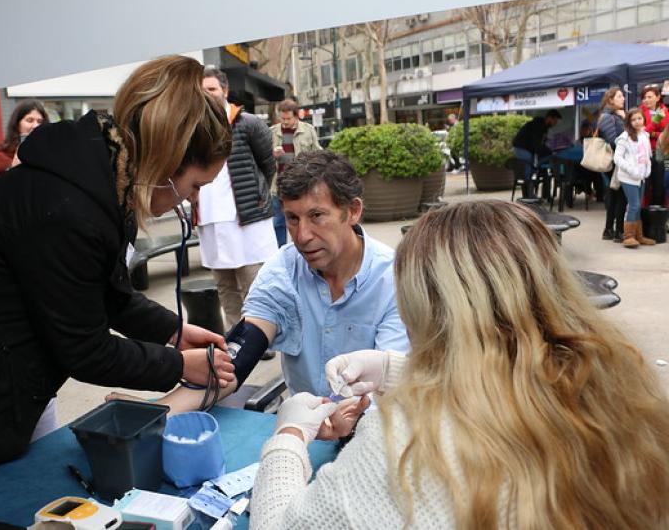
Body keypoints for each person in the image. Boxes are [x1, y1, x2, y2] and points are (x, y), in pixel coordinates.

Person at [0, 55, 236, 520]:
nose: (193, 200)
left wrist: (171, 330)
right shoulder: (70, 209)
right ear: (166, 160)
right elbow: (84, 348)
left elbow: (104, 291)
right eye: (195, 185)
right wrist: (177, 365)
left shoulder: (96, 181)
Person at [250, 200, 669, 529]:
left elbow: (279, 523)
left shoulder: (404, 446)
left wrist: (288, 435)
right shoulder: (618, 391)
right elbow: (506, 366)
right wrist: (399, 370)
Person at [136, 150, 409, 440]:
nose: (302, 236)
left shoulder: (394, 280)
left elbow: (390, 388)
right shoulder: (282, 271)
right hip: (305, 430)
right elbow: (236, 359)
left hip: (378, 434)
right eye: (292, 218)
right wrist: (154, 414)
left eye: (316, 216)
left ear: (352, 211)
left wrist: (350, 424)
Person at [198, 68, 277, 329]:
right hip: (210, 219)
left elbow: (267, 165)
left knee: (253, 284)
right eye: (202, 90)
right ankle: (235, 335)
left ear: (225, 91)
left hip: (245, 217)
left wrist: (256, 196)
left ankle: (259, 337)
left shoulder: (248, 123)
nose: (206, 94)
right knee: (225, 287)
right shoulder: (192, 127)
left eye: (211, 89)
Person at [270, 99, 322, 246]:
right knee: (278, 223)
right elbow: (263, 158)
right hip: (278, 187)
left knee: (301, 221)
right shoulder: (272, 132)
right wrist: (272, 154)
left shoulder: (308, 130)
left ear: (296, 116)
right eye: (282, 118)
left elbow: (317, 155)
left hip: (302, 186)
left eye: (288, 118)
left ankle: (301, 250)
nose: (285, 122)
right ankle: (281, 254)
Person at [0, 99, 49, 192]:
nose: (35, 126)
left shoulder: (49, 154)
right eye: (29, 120)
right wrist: (12, 171)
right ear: (17, 124)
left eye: (40, 121)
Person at [615, 108, 654, 248]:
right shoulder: (624, 138)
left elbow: (648, 155)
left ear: (643, 119)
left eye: (639, 118)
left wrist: (647, 170)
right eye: (633, 119)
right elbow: (617, 158)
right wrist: (632, 170)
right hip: (628, 178)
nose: (637, 122)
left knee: (639, 206)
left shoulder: (645, 136)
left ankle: (639, 236)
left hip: (641, 177)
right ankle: (629, 236)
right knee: (634, 205)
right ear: (629, 122)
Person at [598, 87, 628, 242]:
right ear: (610, 100)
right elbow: (613, 140)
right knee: (620, 196)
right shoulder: (608, 117)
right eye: (619, 96)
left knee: (615, 195)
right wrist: (625, 119)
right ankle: (618, 231)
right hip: (615, 162)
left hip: (617, 162)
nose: (623, 98)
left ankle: (609, 229)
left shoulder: (612, 115)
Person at [511, 109, 562, 198]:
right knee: (529, 166)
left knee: (536, 167)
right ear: (549, 118)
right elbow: (537, 145)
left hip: (527, 148)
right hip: (521, 148)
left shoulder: (544, 127)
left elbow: (539, 145)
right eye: (555, 121)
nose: (555, 124)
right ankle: (528, 195)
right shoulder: (538, 126)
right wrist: (550, 152)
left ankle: (535, 193)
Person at [639, 84, 669, 206]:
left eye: (649, 97)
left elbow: (667, 133)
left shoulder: (665, 111)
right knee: (645, 187)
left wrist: (654, 134)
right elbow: (642, 132)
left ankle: (659, 216)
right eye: (644, 97)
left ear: (658, 97)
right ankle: (645, 216)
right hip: (645, 153)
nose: (646, 100)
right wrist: (656, 120)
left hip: (661, 152)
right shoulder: (639, 112)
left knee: (660, 186)